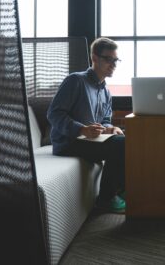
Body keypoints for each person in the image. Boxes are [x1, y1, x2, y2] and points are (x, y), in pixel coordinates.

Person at [47, 37, 126, 213]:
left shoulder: (106, 91)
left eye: (116, 60)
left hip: (91, 140)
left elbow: (105, 119)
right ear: (95, 58)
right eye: (109, 59)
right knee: (122, 144)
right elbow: (54, 114)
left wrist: (110, 128)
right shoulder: (75, 80)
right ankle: (106, 199)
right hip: (69, 142)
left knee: (129, 137)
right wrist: (81, 129)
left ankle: (121, 190)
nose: (113, 64)